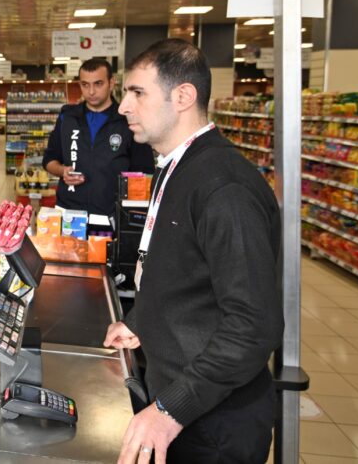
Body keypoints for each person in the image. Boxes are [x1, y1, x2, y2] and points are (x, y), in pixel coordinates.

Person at [104, 38, 283, 463]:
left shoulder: (224, 188)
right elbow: (181, 269)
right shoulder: (176, 166)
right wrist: (142, 321)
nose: (123, 107)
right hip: (184, 396)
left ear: (183, 96)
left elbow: (252, 327)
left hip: (214, 422)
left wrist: (170, 410)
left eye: (137, 93)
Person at [42, 57, 154, 218]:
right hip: (70, 212)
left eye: (98, 84)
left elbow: (145, 173)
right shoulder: (68, 117)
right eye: (85, 85)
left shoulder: (129, 120)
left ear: (111, 82)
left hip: (112, 215)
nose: (91, 91)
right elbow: (49, 160)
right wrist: (62, 171)